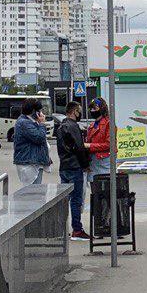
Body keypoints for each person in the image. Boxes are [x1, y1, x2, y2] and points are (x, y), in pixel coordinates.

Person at [55, 101, 91, 239]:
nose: (80, 113)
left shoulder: (61, 126)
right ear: (74, 111)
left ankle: (63, 230)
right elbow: (79, 148)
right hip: (75, 166)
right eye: (79, 110)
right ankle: (77, 229)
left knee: (66, 199)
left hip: (64, 166)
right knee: (76, 200)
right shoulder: (73, 126)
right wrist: (85, 164)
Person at [11, 98, 52, 186]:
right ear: (34, 111)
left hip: (33, 162)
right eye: (39, 111)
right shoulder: (24, 123)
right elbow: (39, 138)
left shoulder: (29, 121)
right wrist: (42, 124)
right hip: (29, 163)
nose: (41, 113)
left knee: (35, 190)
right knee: (33, 192)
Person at [86, 98, 112, 175]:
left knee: (104, 181)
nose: (92, 111)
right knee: (92, 181)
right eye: (91, 108)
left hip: (104, 161)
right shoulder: (92, 125)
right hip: (93, 161)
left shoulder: (109, 124)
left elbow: (109, 144)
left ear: (102, 108)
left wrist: (89, 145)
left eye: (95, 108)